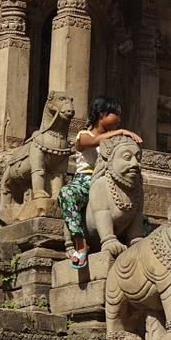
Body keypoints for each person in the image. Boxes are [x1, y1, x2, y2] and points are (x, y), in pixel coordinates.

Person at [57, 96, 141, 268]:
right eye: (115, 114)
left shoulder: (114, 141)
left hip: (111, 179)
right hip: (86, 180)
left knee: (139, 213)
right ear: (102, 114)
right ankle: (80, 245)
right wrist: (121, 132)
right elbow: (93, 141)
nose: (118, 119)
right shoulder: (83, 135)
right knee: (67, 194)